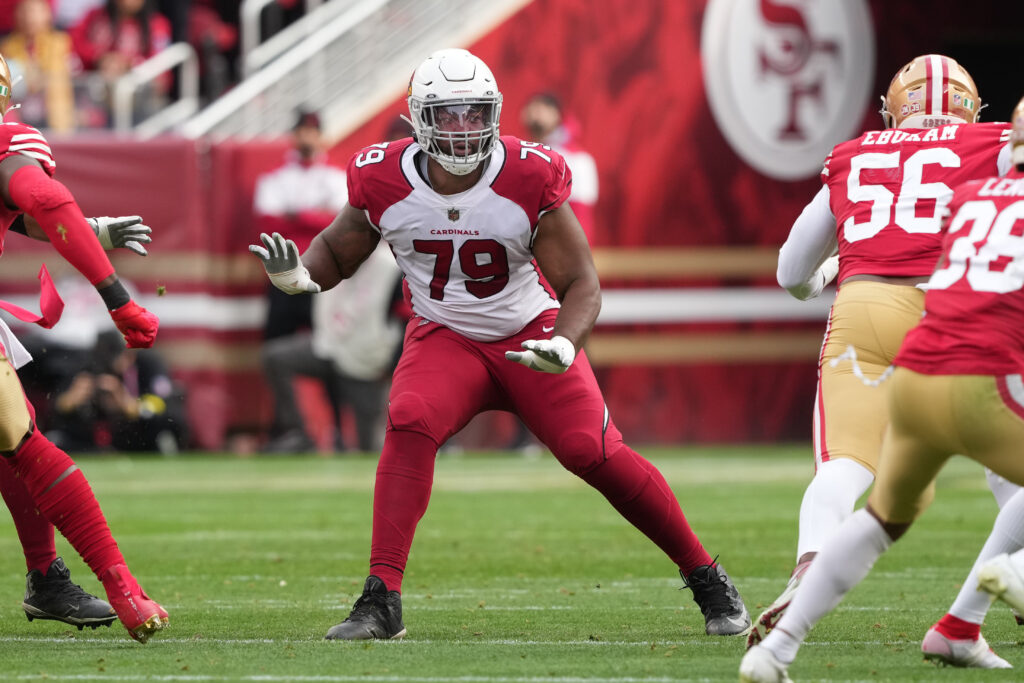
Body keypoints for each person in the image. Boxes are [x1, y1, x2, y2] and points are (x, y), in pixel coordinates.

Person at [250, 48, 750, 639]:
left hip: (529, 331)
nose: (463, 129)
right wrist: (301, 277)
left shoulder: (528, 172)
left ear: (494, 112)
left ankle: (706, 576)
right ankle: (381, 599)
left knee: (590, 450)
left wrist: (565, 344)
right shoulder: (381, 173)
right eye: (448, 114)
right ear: (417, 119)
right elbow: (339, 250)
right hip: (445, 335)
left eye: (474, 113)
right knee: (409, 418)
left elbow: (581, 283)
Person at [740, 94, 1024, 682]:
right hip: (965, 339)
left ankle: (782, 641)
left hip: (879, 323)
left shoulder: (948, 188)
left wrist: (831, 273)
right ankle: (1003, 582)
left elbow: (792, 272)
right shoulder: (983, 157)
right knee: (1010, 470)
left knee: (859, 485)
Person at [0, 51, 167, 642]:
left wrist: (88, 228)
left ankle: (47, 578)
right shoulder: (8, 138)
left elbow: (19, 213)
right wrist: (118, 296)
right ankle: (118, 583)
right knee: (20, 441)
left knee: (13, 439)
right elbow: (38, 198)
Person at [254, 108, 349, 452]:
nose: (306, 138)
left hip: (320, 276)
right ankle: (289, 430)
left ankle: (339, 429)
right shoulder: (275, 178)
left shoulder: (336, 177)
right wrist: (315, 218)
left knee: (330, 351)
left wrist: (298, 215)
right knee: (274, 352)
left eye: (312, 131)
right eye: (301, 131)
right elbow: (268, 225)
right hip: (282, 276)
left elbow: (338, 225)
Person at [262, 241, 404, 453]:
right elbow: (302, 292)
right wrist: (288, 276)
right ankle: (298, 433)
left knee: (369, 448)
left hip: (366, 360)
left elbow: (406, 320)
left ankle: (442, 446)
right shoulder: (332, 259)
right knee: (275, 357)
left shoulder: (392, 268)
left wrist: (391, 364)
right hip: (326, 346)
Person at [47, 328, 187, 454]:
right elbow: (54, 408)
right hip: (90, 440)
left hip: (137, 437)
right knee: (54, 441)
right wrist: (69, 401)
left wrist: (131, 406)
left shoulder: (148, 365)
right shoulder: (86, 367)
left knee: (163, 437)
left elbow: (168, 408)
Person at [520, 92, 599, 242]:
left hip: (556, 249)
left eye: (541, 110)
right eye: (531, 110)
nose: (534, 116)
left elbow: (580, 216)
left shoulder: (577, 160)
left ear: (556, 115)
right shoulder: (520, 155)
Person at [0, 0, 77, 133]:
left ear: (48, 14)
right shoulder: (7, 47)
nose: (29, 17)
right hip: (19, 117)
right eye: (24, 11)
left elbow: (53, 74)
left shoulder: (60, 42)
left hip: (54, 118)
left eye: (35, 11)